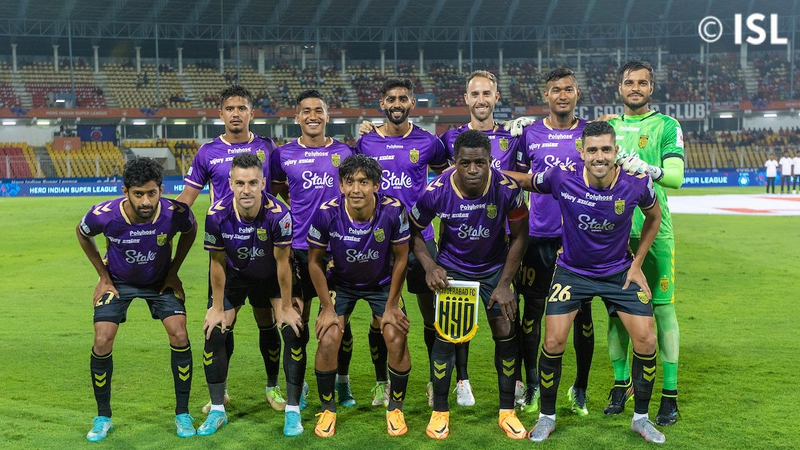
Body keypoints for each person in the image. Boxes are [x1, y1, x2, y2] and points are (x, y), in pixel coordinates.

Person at [509, 121, 666, 444]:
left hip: (619, 271)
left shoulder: (637, 182)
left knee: (647, 340)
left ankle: (641, 419)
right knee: (553, 342)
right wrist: (489, 172)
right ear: (581, 152)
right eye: (592, 150)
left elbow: (654, 216)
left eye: (606, 149)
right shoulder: (562, 177)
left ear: (615, 151)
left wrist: (637, 264)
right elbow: (526, 180)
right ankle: (547, 417)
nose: (599, 156)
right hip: (572, 271)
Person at [410, 130, 529, 440]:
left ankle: (507, 412)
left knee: (506, 332)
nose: (473, 170)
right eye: (465, 163)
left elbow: (520, 236)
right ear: (455, 162)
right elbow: (413, 231)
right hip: (454, 270)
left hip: (494, 270)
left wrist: (505, 283)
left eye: (480, 163)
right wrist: (430, 265)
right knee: (446, 338)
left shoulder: (507, 189)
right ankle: (440, 412)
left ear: (490, 161)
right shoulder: (436, 190)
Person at [176, 85, 285, 413]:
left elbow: (282, 191)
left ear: (252, 113)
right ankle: (219, 392)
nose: (236, 113)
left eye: (242, 108)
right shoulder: (207, 152)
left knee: (267, 319)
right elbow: (186, 200)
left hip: (265, 251)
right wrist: (156, 223)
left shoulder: (268, 148)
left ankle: (273, 387)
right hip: (227, 253)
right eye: (230, 108)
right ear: (220, 113)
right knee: (222, 322)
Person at [77, 157, 197, 441]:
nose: (146, 201)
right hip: (118, 281)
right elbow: (82, 234)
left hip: (159, 280)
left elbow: (190, 231)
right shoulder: (104, 215)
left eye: (152, 193)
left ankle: (182, 413)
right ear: (125, 191)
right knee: (102, 338)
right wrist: (103, 276)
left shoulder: (176, 213)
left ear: (161, 190)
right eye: (138, 194)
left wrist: (174, 272)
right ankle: (103, 416)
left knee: (179, 333)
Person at [356, 78, 450, 407]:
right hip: (380, 243)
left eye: (403, 98)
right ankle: (382, 383)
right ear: (382, 103)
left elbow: (447, 176)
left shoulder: (428, 141)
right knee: (381, 317)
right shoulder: (366, 142)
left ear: (412, 103)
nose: (397, 103)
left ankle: (434, 381)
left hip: (421, 240)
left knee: (431, 316)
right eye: (391, 99)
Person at [436, 69, 525, 405]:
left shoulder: (513, 137)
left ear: (496, 97)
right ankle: (462, 380)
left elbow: (529, 176)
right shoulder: (449, 138)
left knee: (510, 317)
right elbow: (436, 173)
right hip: (460, 242)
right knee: (458, 321)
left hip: (504, 244)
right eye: (475, 94)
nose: (481, 99)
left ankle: (516, 383)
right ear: (466, 99)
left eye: (487, 93)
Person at [308, 155, 412, 438]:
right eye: (349, 182)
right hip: (341, 283)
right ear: (341, 185)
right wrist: (327, 308)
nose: (356, 189)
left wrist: (392, 305)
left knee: (395, 335)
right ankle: (328, 409)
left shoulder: (393, 211)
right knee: (328, 336)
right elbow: (314, 262)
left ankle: (395, 408)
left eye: (364, 182)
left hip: (381, 283)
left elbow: (402, 258)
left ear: (376, 185)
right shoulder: (327, 213)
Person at [198, 153, 302, 436]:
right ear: (231, 183)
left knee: (292, 329)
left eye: (253, 183)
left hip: (270, 275)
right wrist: (217, 307)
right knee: (215, 330)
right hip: (234, 275)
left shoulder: (279, 214)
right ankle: (218, 407)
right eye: (240, 183)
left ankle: (288, 405)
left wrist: (286, 306)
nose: (246, 190)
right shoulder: (216, 214)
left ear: (263, 184)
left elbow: (283, 263)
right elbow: (216, 262)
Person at [269, 89, 357, 425]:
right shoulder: (283, 154)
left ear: (327, 115)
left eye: (318, 110)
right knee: (297, 324)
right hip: (298, 250)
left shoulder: (344, 152)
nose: (312, 116)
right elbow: (276, 192)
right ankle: (299, 384)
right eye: (306, 111)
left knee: (338, 321)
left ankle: (342, 381)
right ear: (297, 117)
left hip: (336, 250)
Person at [605, 60, 685, 427]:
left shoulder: (667, 126)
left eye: (642, 82)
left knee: (663, 310)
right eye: (629, 82)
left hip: (656, 232)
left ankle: (669, 395)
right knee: (616, 314)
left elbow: (676, 177)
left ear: (651, 88)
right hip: (613, 234)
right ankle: (621, 385)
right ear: (619, 88)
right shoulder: (608, 128)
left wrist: (646, 168)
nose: (635, 88)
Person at [512, 68, 595, 416]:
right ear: (546, 95)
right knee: (531, 313)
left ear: (578, 94)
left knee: (583, 316)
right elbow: (516, 177)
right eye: (556, 90)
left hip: (578, 239)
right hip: (538, 237)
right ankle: (532, 385)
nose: (562, 95)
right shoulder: (529, 134)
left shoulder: (590, 133)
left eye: (568, 89)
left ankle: (580, 388)